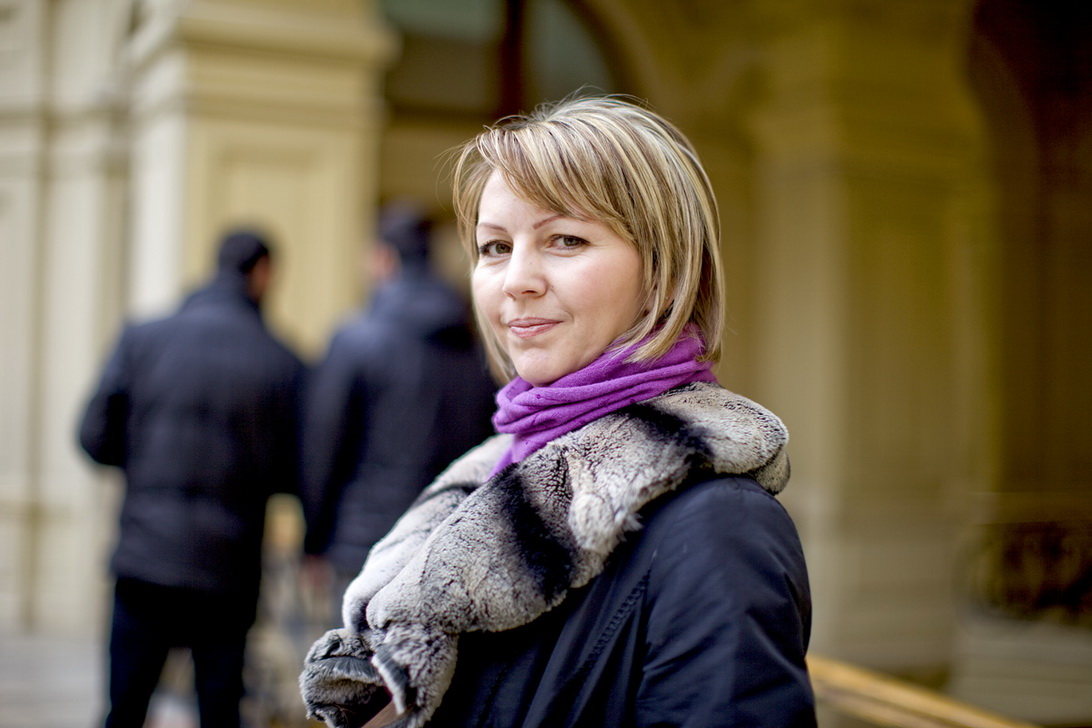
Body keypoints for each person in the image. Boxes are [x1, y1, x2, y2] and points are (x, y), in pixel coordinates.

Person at [300, 96, 816, 728]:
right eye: (494, 247)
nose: (516, 279)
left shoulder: (722, 529)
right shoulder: (489, 480)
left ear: (662, 270)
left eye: (566, 240)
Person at [79, 229, 306, 728]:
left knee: (125, 708)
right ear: (263, 274)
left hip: (145, 557)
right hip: (228, 567)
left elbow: (92, 437)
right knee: (219, 711)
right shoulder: (283, 361)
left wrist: (147, 463)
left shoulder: (143, 338)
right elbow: (296, 470)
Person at [300, 201, 497, 616]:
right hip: (446, 546)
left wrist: (313, 542)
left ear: (383, 258)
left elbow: (322, 449)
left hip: (362, 547)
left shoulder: (355, 340)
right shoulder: (474, 347)